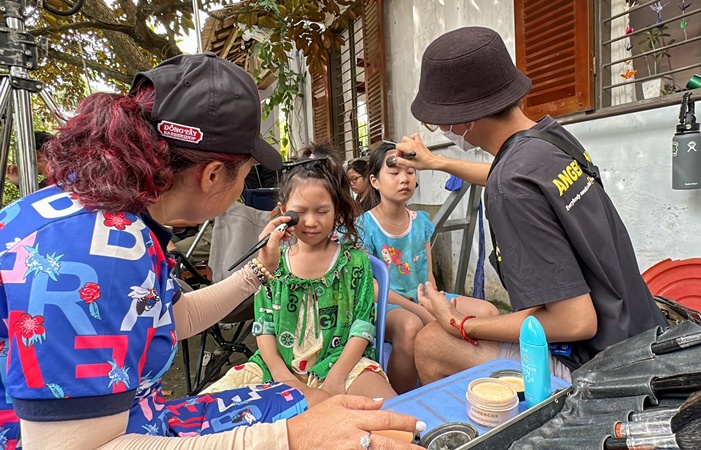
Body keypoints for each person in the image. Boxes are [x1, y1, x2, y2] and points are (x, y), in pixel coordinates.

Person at [0, 52, 424, 450]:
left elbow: (171, 317)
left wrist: (257, 272)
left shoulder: (104, 218)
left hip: (127, 420)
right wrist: (290, 438)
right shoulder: (98, 256)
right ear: (213, 175)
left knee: (318, 409)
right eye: (245, 174)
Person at [392, 27, 669, 384]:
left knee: (432, 343)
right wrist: (437, 162)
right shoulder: (548, 140)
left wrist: (459, 323)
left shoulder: (510, 188)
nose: (439, 129)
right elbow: (506, 175)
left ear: (465, 119)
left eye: (437, 121)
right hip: (641, 328)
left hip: (603, 365)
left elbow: (575, 321)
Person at [211, 143, 397, 400]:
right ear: (282, 210)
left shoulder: (354, 263)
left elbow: (362, 326)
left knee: (389, 411)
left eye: (322, 211)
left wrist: (336, 376)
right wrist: (285, 378)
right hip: (276, 368)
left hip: (343, 363)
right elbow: (264, 327)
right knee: (212, 409)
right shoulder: (271, 263)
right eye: (299, 212)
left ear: (337, 209)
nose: (311, 222)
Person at [358, 142, 498, 393]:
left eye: (410, 172)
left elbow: (429, 275)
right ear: (375, 181)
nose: (404, 179)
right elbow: (373, 287)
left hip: (421, 297)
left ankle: (472, 388)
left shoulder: (420, 222)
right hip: (386, 306)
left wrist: (434, 301)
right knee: (411, 326)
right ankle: (402, 400)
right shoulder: (364, 227)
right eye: (394, 173)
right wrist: (423, 310)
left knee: (487, 311)